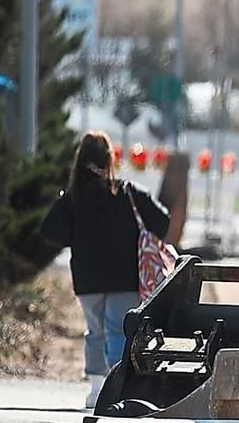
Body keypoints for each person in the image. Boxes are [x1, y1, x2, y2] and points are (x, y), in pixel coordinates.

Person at [41, 131, 172, 406]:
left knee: (95, 331)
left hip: (87, 280)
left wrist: (76, 236)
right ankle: (117, 387)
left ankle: (96, 388)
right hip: (125, 277)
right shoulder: (127, 193)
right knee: (118, 331)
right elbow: (162, 221)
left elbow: (49, 230)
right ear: (109, 158)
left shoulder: (73, 199)